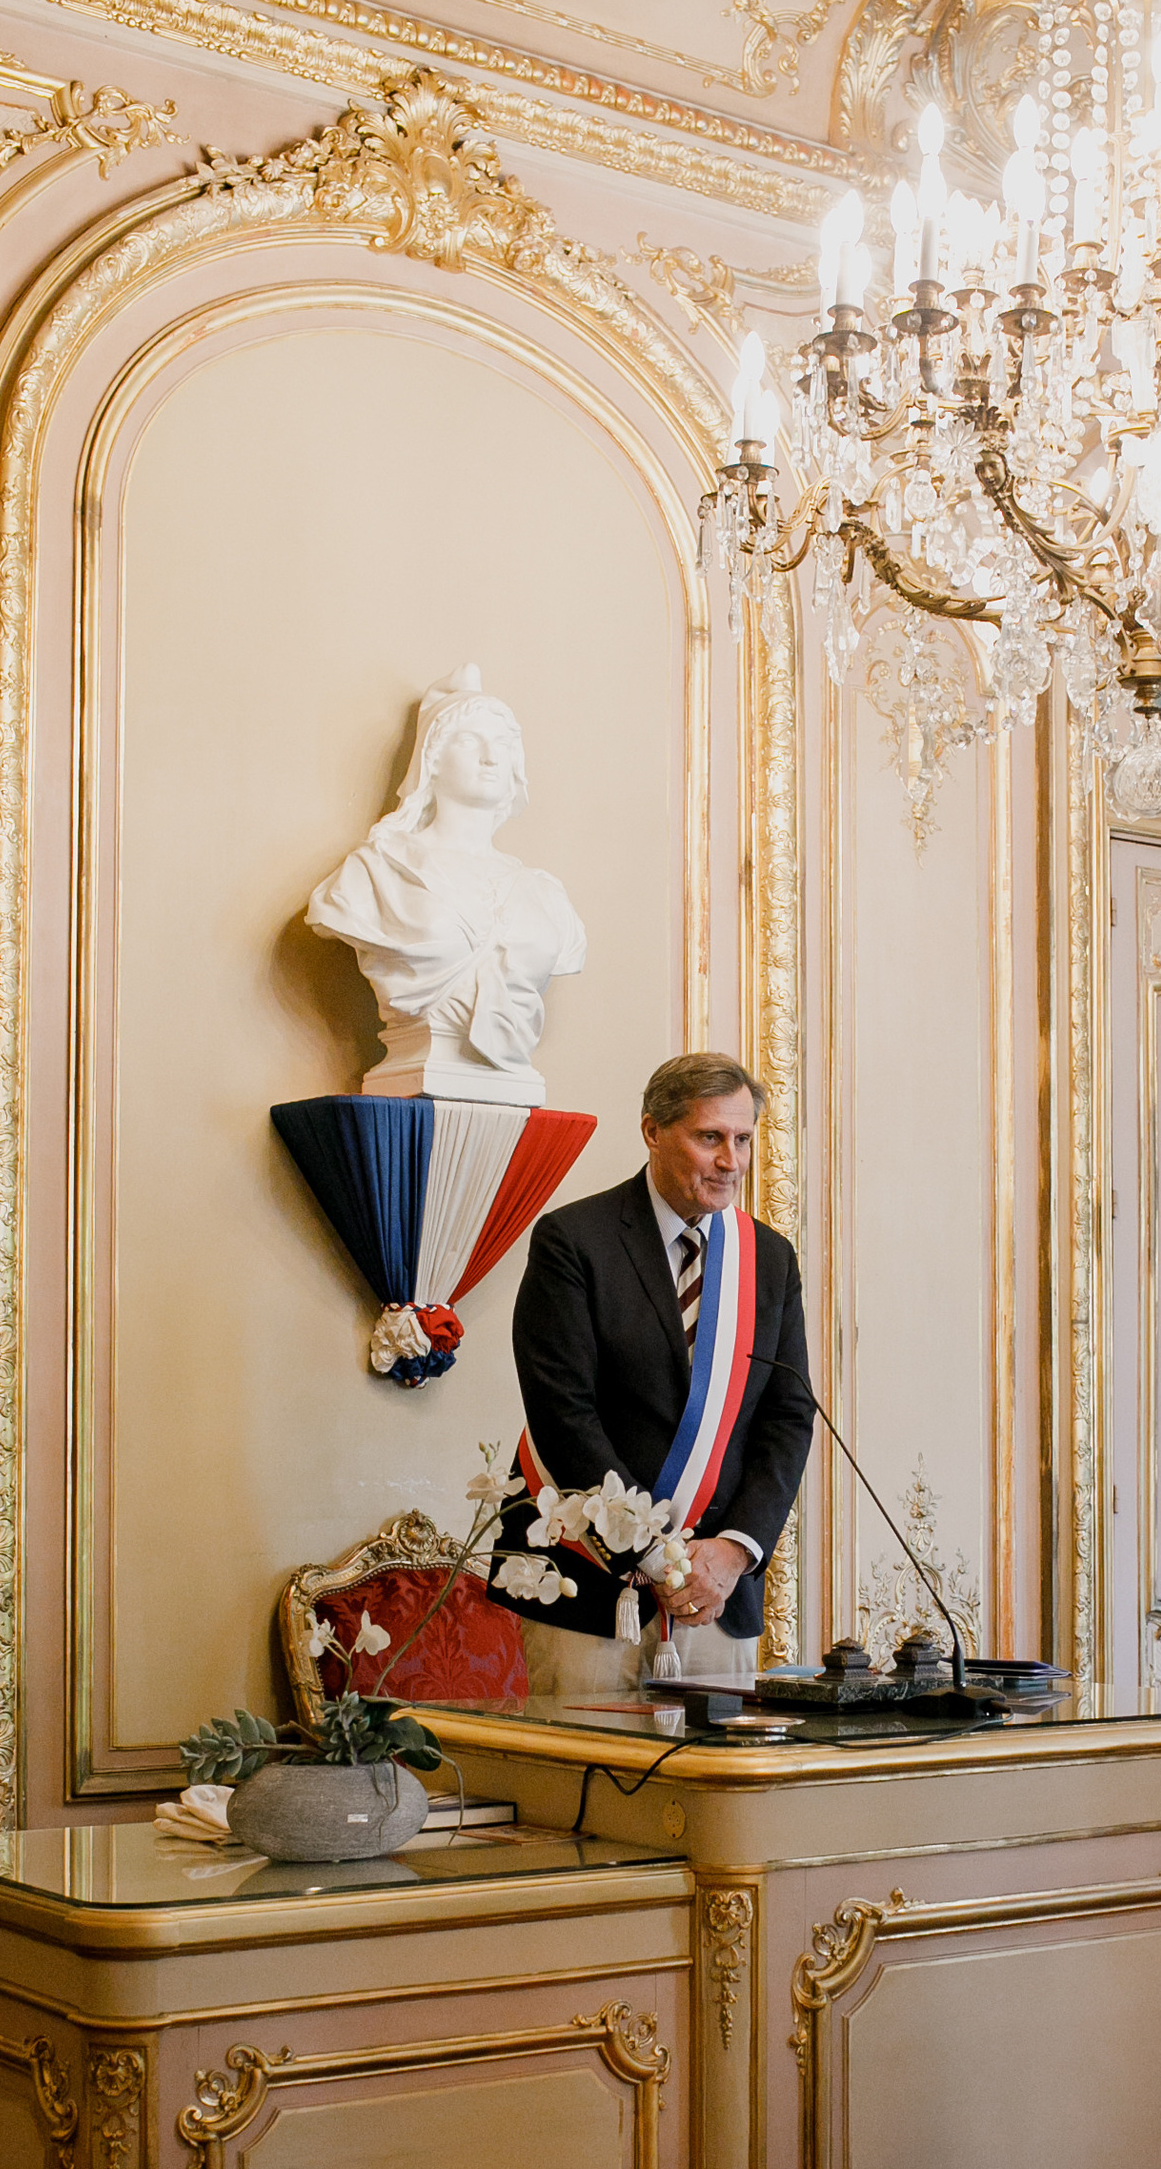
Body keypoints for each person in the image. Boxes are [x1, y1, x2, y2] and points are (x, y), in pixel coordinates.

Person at [492, 1053, 815, 1698]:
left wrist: (733, 1551)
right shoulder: (572, 1240)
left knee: (714, 1766)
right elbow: (564, 1414)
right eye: (709, 1137)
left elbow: (788, 1417)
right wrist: (656, 1553)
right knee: (582, 1764)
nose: (730, 1161)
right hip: (587, 1585)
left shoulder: (769, 1259)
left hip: (717, 1594)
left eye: (743, 1139)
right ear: (652, 1131)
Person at [306, 665, 586, 1097]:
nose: (491, 757)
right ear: (432, 759)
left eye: (503, 744)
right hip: (418, 1069)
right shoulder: (376, 873)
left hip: (513, 1085)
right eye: (470, 740)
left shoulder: (545, 893)